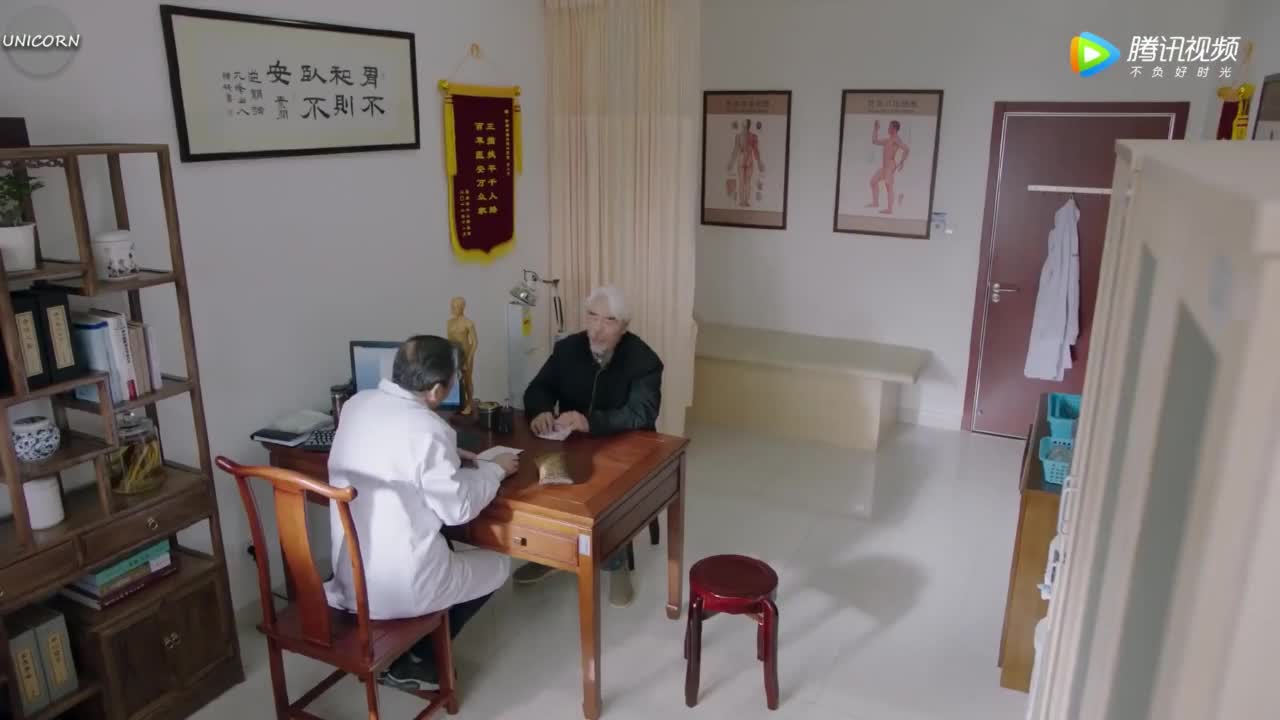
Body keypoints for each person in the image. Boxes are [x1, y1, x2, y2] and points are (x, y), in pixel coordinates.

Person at [323, 335, 519, 691]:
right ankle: (422, 659)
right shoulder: (430, 429)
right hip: (402, 588)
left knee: (438, 544)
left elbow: (392, 451)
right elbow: (457, 509)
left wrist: (448, 457)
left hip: (352, 578)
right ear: (436, 391)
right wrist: (495, 470)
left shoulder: (355, 404)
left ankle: (418, 648)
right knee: (499, 565)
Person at [517, 285, 663, 607]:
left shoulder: (644, 360)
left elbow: (642, 412)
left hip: (624, 442)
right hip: (573, 442)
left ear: (623, 327)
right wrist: (541, 410)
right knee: (543, 478)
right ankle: (551, 553)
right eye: (592, 317)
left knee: (605, 490)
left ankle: (615, 562)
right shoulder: (568, 349)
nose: (597, 328)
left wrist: (590, 422)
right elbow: (538, 387)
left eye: (609, 321)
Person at [867, 118, 910, 215]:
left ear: (894, 129)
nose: (888, 128)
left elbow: (906, 149)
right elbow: (874, 141)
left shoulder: (896, 139)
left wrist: (902, 162)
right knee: (873, 181)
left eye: (890, 127)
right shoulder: (888, 140)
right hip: (884, 166)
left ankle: (890, 209)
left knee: (888, 186)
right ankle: (875, 203)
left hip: (890, 165)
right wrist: (875, 128)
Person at [726, 117, 765, 208]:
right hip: (747, 160)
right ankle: (744, 202)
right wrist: (731, 162)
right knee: (745, 182)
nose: (743, 125)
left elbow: (737, 150)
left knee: (744, 182)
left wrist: (759, 163)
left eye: (744, 123)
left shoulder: (741, 136)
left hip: (743, 159)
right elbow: (754, 150)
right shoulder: (747, 136)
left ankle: (743, 202)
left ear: (745, 125)